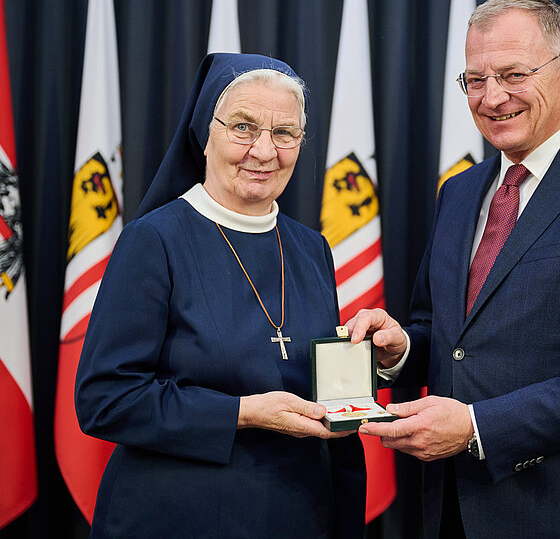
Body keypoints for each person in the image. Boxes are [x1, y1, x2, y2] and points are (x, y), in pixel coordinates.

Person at [348, 0, 560, 538]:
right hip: (451, 511)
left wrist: (479, 427)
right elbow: (447, 336)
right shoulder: (459, 192)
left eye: (512, 74)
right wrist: (401, 349)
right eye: (474, 80)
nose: (492, 97)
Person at [75, 53, 365, 539]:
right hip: (180, 518)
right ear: (204, 133)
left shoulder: (311, 247)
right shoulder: (155, 241)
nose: (264, 151)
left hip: (298, 515)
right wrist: (243, 413)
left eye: (285, 133)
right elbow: (106, 398)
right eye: (244, 127)